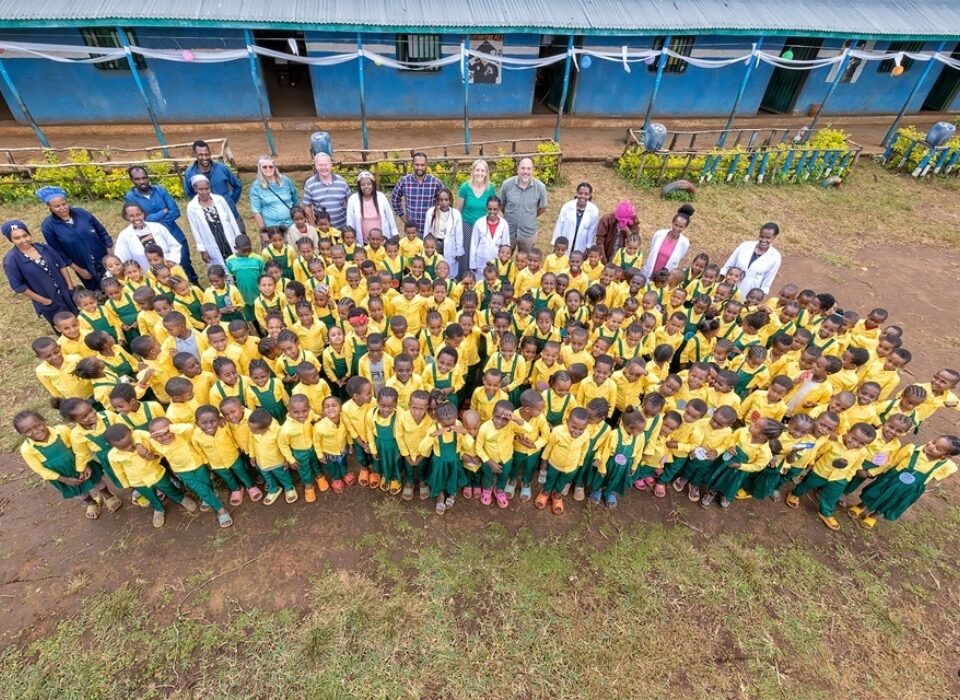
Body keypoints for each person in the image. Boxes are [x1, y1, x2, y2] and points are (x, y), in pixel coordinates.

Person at [125, 166, 197, 284]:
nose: (142, 181)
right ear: (132, 180)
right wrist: (162, 212)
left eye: (144, 178)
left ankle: (194, 284)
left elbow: (175, 211)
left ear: (148, 177)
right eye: (137, 179)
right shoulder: (131, 197)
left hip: (174, 233)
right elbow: (143, 218)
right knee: (162, 268)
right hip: (155, 239)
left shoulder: (160, 190)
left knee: (184, 262)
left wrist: (153, 218)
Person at [3, 220, 77, 328]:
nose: (23, 240)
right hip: (49, 300)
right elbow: (18, 286)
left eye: (25, 235)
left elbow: (61, 265)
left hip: (66, 293)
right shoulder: (11, 260)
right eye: (17, 238)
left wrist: (70, 287)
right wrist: (44, 301)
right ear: (11, 240)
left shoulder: (44, 248)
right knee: (65, 329)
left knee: (78, 321)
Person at [37, 186, 113, 290]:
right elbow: (58, 253)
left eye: (64, 204)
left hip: (104, 259)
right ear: (49, 207)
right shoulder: (48, 226)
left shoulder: (82, 213)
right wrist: (79, 269)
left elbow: (102, 232)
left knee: (115, 286)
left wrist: (110, 256)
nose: (62, 207)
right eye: (57, 206)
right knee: (98, 291)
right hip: (83, 266)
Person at [183, 139, 244, 232]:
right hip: (209, 219)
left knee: (241, 240)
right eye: (200, 155)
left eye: (206, 154)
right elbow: (189, 193)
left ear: (210, 153)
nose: (204, 157)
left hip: (230, 214)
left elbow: (237, 186)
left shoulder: (222, 168)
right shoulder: (190, 173)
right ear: (195, 154)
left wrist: (230, 202)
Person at [186, 174, 241, 271]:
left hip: (227, 237)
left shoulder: (219, 200)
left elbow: (231, 219)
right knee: (220, 269)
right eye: (200, 189)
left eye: (207, 188)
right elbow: (195, 230)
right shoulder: (192, 207)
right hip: (211, 242)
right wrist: (202, 250)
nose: (204, 192)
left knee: (235, 262)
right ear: (195, 189)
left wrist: (238, 236)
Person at [114, 202, 182, 273]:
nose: (136, 218)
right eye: (131, 216)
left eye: (138, 214)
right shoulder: (124, 236)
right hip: (146, 276)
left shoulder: (158, 227)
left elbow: (174, 245)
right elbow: (122, 259)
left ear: (143, 214)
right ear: (126, 217)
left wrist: (172, 260)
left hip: (168, 270)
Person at [499, 157, 547, 252]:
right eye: (523, 168)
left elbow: (542, 207)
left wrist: (531, 216)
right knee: (503, 260)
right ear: (517, 169)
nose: (525, 171)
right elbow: (502, 204)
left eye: (529, 168)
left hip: (528, 233)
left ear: (533, 170)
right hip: (508, 232)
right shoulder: (507, 185)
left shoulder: (540, 187)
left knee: (525, 263)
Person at [457, 159, 496, 274]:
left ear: (486, 173)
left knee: (481, 252)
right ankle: (464, 277)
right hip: (467, 223)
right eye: (477, 170)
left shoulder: (490, 188)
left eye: (482, 171)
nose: (480, 173)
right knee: (467, 252)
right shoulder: (465, 187)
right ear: (473, 171)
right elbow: (459, 209)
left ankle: (480, 277)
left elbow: (493, 207)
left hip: (483, 226)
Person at [390, 151, 443, 236]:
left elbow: (446, 199)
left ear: (426, 165)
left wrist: (439, 216)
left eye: (422, 165)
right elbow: (394, 198)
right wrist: (402, 215)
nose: (419, 167)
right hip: (412, 230)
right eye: (417, 165)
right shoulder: (405, 181)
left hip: (430, 229)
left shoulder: (435, 182)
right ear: (412, 164)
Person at [720, 222, 783, 295]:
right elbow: (727, 267)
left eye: (768, 238)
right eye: (761, 236)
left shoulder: (775, 257)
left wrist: (756, 301)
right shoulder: (745, 246)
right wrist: (716, 286)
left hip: (750, 295)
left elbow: (766, 283)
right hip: (729, 290)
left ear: (774, 237)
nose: (763, 240)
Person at [640, 205, 693, 279]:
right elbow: (652, 250)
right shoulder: (659, 234)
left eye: (681, 227)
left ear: (685, 227)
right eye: (676, 225)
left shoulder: (684, 243)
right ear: (672, 223)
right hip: (649, 273)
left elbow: (678, 259)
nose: (677, 229)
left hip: (664, 278)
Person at [345, 171, 398, 245]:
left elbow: (390, 217)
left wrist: (394, 234)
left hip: (382, 241)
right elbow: (350, 222)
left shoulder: (381, 197)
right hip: (364, 242)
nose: (366, 186)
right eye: (363, 184)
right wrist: (352, 239)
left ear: (373, 184)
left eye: (369, 184)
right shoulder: (353, 199)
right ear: (359, 186)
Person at [302, 152, 351, 230]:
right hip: (322, 229)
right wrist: (313, 226)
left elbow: (350, 201)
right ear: (315, 166)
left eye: (326, 164)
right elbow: (307, 206)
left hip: (342, 227)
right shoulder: (310, 183)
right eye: (320, 165)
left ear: (331, 165)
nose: (323, 168)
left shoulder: (341, 181)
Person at [249, 156, 299, 232]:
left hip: (291, 224)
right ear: (260, 169)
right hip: (272, 227)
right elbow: (256, 212)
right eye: (264, 167)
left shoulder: (286, 180)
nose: (268, 169)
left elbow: (295, 200)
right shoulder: (256, 186)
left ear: (275, 167)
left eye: (271, 166)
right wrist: (264, 232)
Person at [423, 187, 464, 278]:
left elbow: (459, 234)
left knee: (448, 271)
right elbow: (426, 231)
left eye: (446, 200)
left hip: (450, 246)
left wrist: (459, 251)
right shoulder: (431, 212)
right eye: (441, 200)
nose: (444, 202)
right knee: (436, 269)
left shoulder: (455, 214)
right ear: (437, 200)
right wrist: (425, 248)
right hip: (435, 244)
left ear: (450, 200)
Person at [551, 182, 599, 255]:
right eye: (580, 193)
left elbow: (592, 232)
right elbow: (559, 225)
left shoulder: (594, 211)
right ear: (577, 193)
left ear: (590, 195)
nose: (583, 196)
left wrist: (588, 248)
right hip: (564, 244)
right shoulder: (567, 207)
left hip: (581, 246)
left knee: (576, 262)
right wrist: (555, 243)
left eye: (586, 194)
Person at [468, 196, 510, 278]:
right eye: (489, 209)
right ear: (486, 208)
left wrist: (503, 264)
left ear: (499, 208)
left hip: (497, 261)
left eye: (495, 209)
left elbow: (505, 246)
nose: (492, 212)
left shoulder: (504, 224)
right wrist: (472, 264)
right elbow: (473, 245)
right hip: (481, 261)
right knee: (480, 285)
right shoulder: (479, 223)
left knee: (494, 284)